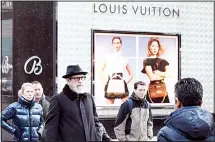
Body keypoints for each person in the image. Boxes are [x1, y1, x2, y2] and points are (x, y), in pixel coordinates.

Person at [44, 65, 111, 141]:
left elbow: (96, 122)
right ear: (68, 80)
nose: (80, 81)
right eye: (77, 78)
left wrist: (103, 137)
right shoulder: (58, 100)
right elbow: (51, 128)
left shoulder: (89, 98)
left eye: (82, 78)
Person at [100, 36, 133, 104]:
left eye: (118, 43)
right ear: (112, 45)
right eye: (115, 43)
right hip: (111, 82)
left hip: (121, 83)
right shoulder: (108, 57)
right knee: (109, 108)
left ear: (121, 44)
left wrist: (125, 83)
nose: (116, 45)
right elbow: (100, 70)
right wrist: (104, 82)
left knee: (127, 106)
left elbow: (131, 74)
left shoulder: (124, 59)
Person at [141, 37, 170, 103]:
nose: (155, 48)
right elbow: (152, 77)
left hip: (163, 89)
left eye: (157, 46)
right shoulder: (147, 61)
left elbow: (169, 74)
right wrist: (164, 75)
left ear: (159, 47)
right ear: (149, 47)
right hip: (152, 89)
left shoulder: (163, 60)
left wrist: (158, 72)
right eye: (153, 46)